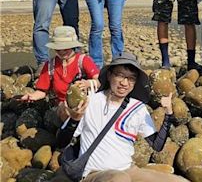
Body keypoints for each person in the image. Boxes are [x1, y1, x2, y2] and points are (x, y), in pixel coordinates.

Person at [55, 52, 189, 182]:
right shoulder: (91, 101)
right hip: (96, 173)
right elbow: (61, 142)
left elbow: (157, 146)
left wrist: (168, 114)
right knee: (119, 179)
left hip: (129, 171)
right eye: (120, 76)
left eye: (131, 78)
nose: (124, 83)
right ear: (109, 75)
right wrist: (75, 119)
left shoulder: (138, 108)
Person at [21, 26, 100, 120]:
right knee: (65, 110)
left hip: (85, 103)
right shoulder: (50, 65)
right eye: (58, 49)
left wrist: (87, 83)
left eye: (66, 49)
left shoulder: (83, 61)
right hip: (62, 106)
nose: (62, 52)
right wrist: (32, 96)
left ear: (73, 46)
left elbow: (100, 80)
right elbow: (42, 91)